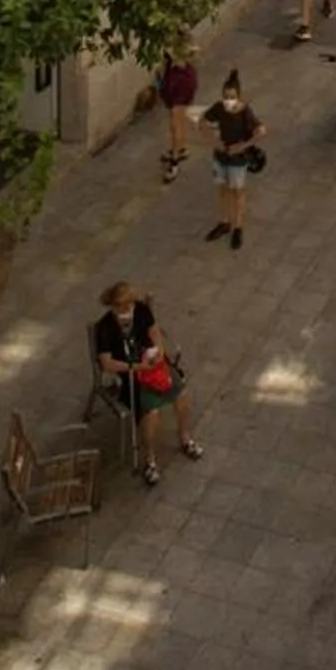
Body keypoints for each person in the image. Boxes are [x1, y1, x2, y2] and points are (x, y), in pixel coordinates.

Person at [92, 283, 203, 485]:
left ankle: (186, 438)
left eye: (129, 306)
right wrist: (136, 366)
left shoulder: (141, 310)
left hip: (155, 366)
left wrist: (159, 349)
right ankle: (150, 459)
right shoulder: (106, 328)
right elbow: (107, 363)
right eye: (122, 308)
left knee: (183, 394)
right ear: (114, 307)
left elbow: (154, 331)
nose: (127, 311)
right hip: (132, 374)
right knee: (151, 413)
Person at [202, 71, 264, 250]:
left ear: (238, 96)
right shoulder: (219, 108)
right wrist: (214, 141)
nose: (228, 100)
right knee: (223, 189)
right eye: (225, 97)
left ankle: (237, 227)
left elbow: (261, 130)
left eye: (232, 97)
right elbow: (203, 122)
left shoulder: (245, 112)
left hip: (237, 160)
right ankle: (224, 222)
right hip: (221, 157)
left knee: (237, 192)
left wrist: (242, 146)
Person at [157, 49, 198, 181]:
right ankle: (181, 149)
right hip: (174, 82)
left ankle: (174, 162)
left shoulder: (179, 42)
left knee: (176, 124)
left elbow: (189, 54)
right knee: (178, 119)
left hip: (180, 84)